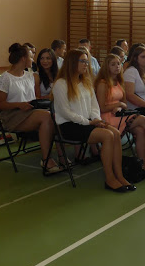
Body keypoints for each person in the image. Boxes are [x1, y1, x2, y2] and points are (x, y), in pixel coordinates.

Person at [52, 49, 134, 192]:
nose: (86, 64)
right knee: (107, 136)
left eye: (86, 61)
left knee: (115, 133)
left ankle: (119, 175)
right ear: (72, 63)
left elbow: (94, 106)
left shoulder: (85, 82)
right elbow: (65, 112)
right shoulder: (61, 84)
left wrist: (96, 119)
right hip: (69, 126)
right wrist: (88, 122)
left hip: (88, 122)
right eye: (82, 61)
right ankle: (110, 179)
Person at [95, 54, 145, 174]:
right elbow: (102, 107)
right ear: (106, 67)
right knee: (142, 119)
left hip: (119, 115)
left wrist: (119, 106)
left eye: (118, 64)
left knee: (140, 130)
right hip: (108, 118)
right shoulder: (103, 84)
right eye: (113, 64)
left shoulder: (119, 82)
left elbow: (124, 103)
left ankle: (142, 166)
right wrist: (118, 105)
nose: (117, 66)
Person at [0, 43, 60, 172]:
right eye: (31, 56)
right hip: (12, 115)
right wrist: (19, 104)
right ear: (23, 59)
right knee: (47, 117)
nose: (33, 59)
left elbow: (34, 97)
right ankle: (46, 159)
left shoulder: (30, 76)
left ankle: (59, 155)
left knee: (54, 116)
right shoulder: (5, 78)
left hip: (30, 111)